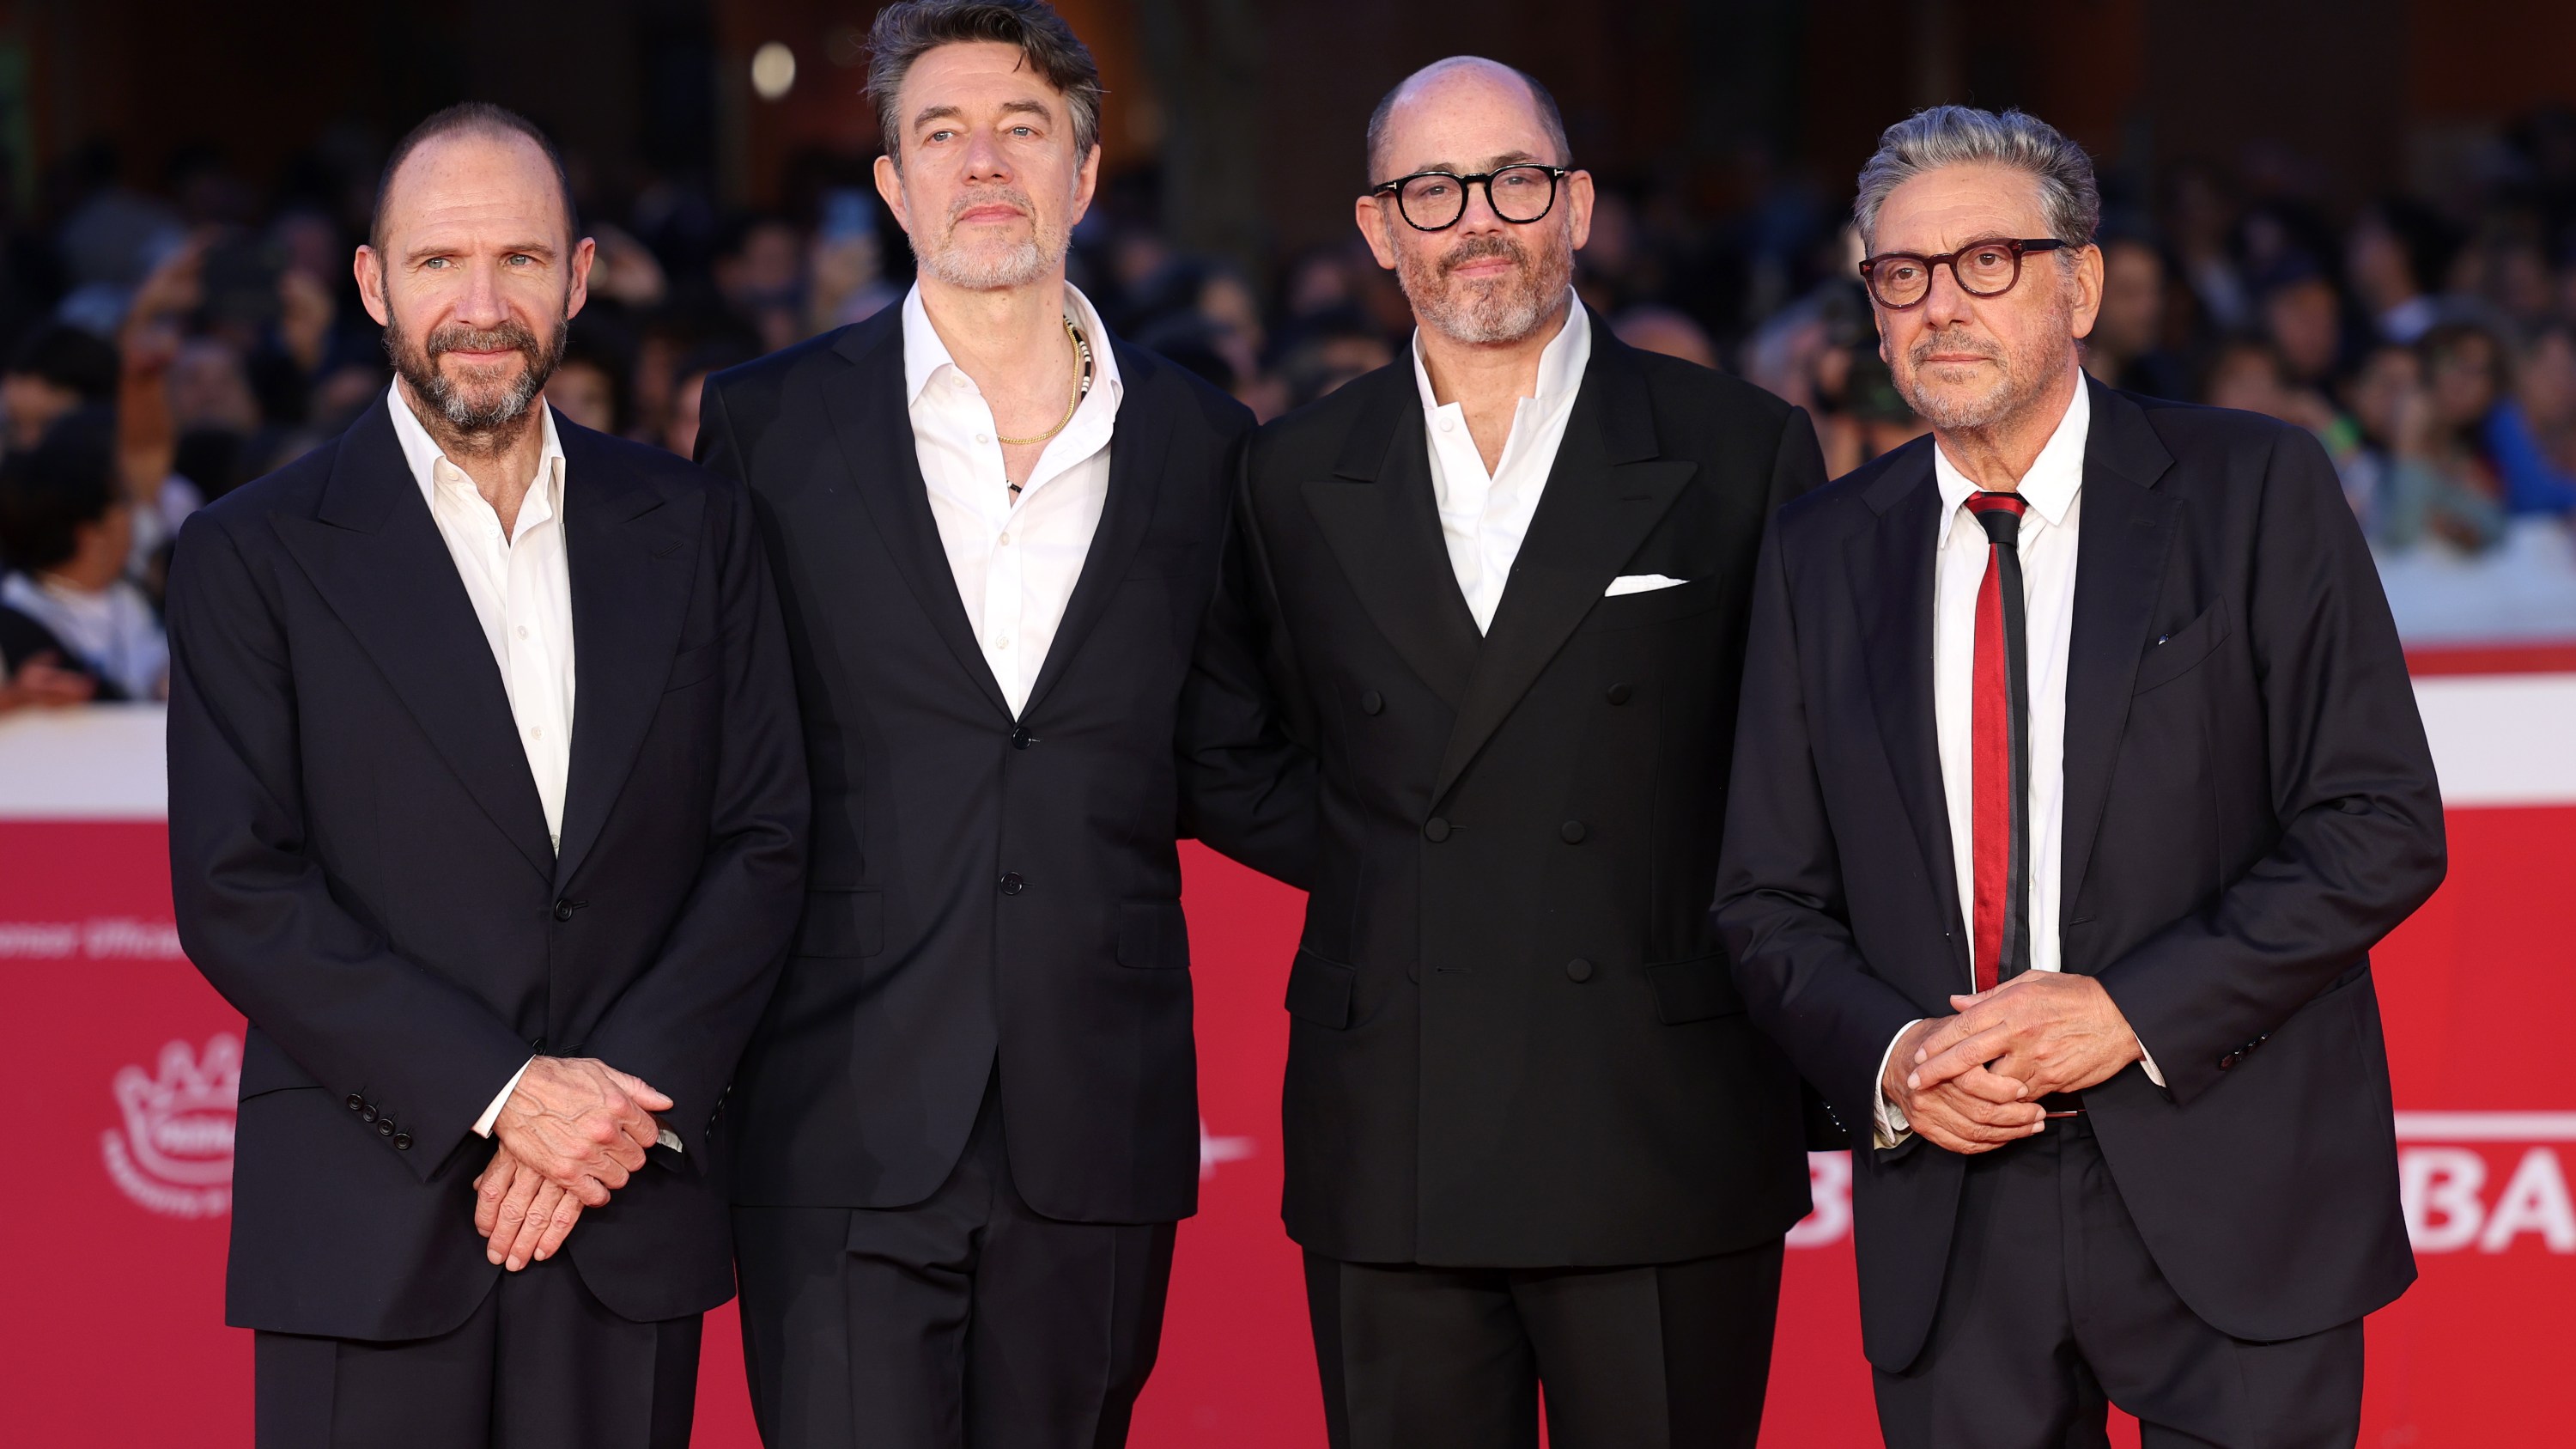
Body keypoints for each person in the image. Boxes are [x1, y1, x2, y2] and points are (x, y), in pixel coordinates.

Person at [1715, 107, 2445, 1447]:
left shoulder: (2253, 487)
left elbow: (2377, 822)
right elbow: (1764, 897)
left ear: (2084, 284)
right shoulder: (1819, 554)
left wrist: (2130, 1010)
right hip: (1952, 1201)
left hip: (2233, 1182)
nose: (1942, 304)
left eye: (1988, 260)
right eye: (1904, 274)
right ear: (1872, 308)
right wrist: (1897, 1055)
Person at [1183, 55, 1823, 1449]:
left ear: (1578, 205)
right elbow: (1226, 746)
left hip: (1658, 1115)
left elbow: (1804, 768)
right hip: (1394, 1119)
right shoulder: (1290, 473)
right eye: (1433, 187)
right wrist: (1395, 865)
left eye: (1516, 179)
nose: (1479, 216)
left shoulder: (1739, 450)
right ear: (1378, 228)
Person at [163, 102, 808, 1449]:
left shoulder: (696, 528)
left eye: (518, 260)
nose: (479, 304)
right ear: (371, 282)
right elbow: (239, 889)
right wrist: (512, 1095)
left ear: (577, 277)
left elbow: (765, 837)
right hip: (367, 1215)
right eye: (438, 261)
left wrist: (611, 1104)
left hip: (627, 1200)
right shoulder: (253, 554)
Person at [693, 5, 1295, 1446]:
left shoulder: (1203, 443)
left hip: (1097, 1112)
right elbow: (713, 752)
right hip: (835, 1109)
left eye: (1024, 127)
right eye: (941, 132)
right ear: (892, 185)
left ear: (1085, 173)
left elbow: (1225, 750)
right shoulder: (767, 427)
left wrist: (1466, 843)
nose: (983, 163)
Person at [0, 407, 162, 699]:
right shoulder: (14, 621)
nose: (134, 515)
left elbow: (150, 446)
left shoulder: (141, 587)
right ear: (92, 535)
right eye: (123, 504)